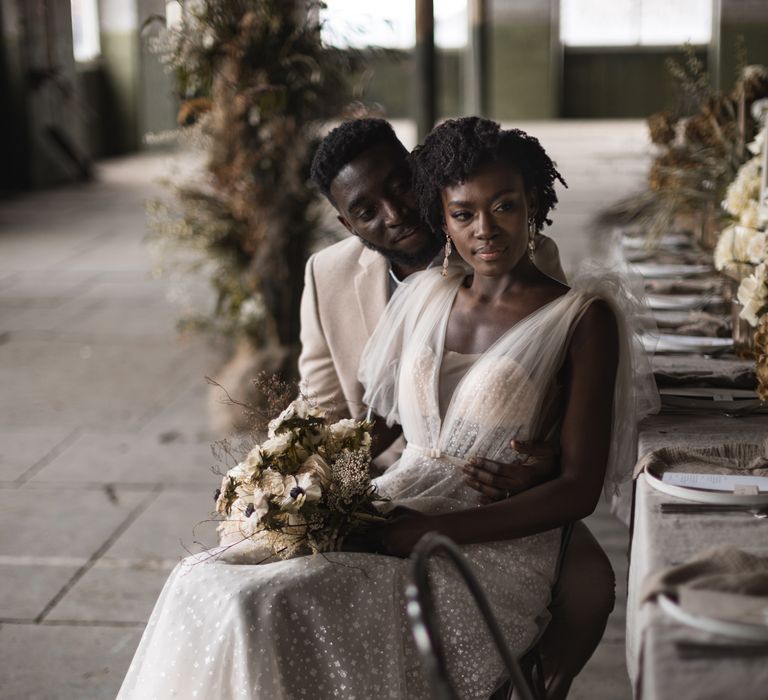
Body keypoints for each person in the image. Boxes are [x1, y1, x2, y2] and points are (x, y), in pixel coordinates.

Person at [116, 118, 655, 700]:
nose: (484, 228)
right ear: (440, 212)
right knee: (203, 579)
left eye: (503, 207)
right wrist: (289, 484)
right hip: (397, 493)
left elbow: (574, 468)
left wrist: (507, 481)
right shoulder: (424, 293)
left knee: (272, 603)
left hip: (487, 528)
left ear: (531, 203)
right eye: (463, 213)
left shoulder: (577, 312)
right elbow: (357, 416)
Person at [302, 118, 613, 696]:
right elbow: (330, 410)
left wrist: (544, 457)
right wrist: (293, 484)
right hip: (391, 484)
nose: (393, 215)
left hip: (499, 500)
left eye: (399, 188)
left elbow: (550, 403)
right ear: (347, 222)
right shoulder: (340, 277)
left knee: (590, 587)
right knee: (256, 584)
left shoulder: (546, 282)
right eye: (366, 210)